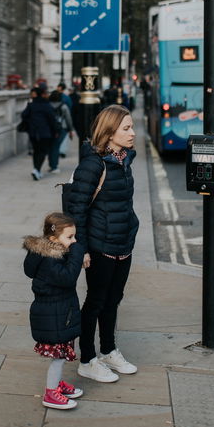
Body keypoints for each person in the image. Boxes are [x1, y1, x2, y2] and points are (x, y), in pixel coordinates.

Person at [66, 104, 139, 383]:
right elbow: (77, 210)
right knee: (95, 302)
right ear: (109, 133)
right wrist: (81, 248)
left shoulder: (124, 160)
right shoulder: (92, 165)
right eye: (126, 128)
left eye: (131, 127)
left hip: (123, 242)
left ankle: (108, 350)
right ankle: (87, 359)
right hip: (100, 246)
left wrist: (131, 227)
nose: (132, 133)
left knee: (114, 300)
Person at [23, 212, 85, 410]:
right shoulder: (51, 260)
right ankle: (50, 394)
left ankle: (57, 385)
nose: (74, 241)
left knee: (61, 354)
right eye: (70, 237)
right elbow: (68, 278)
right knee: (58, 358)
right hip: (55, 316)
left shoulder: (50, 253)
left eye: (74, 237)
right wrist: (78, 252)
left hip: (57, 313)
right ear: (52, 239)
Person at [21, 87, 58, 180]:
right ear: (42, 94)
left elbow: (24, 115)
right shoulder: (47, 105)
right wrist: (56, 131)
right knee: (43, 151)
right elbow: (52, 120)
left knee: (36, 151)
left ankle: (36, 170)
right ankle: (37, 169)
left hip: (33, 132)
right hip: (45, 133)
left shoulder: (31, 105)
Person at [48, 90, 75, 174]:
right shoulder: (64, 106)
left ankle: (51, 165)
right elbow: (68, 119)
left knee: (51, 147)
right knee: (56, 147)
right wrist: (71, 130)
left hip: (50, 128)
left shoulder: (48, 105)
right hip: (62, 128)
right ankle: (54, 166)